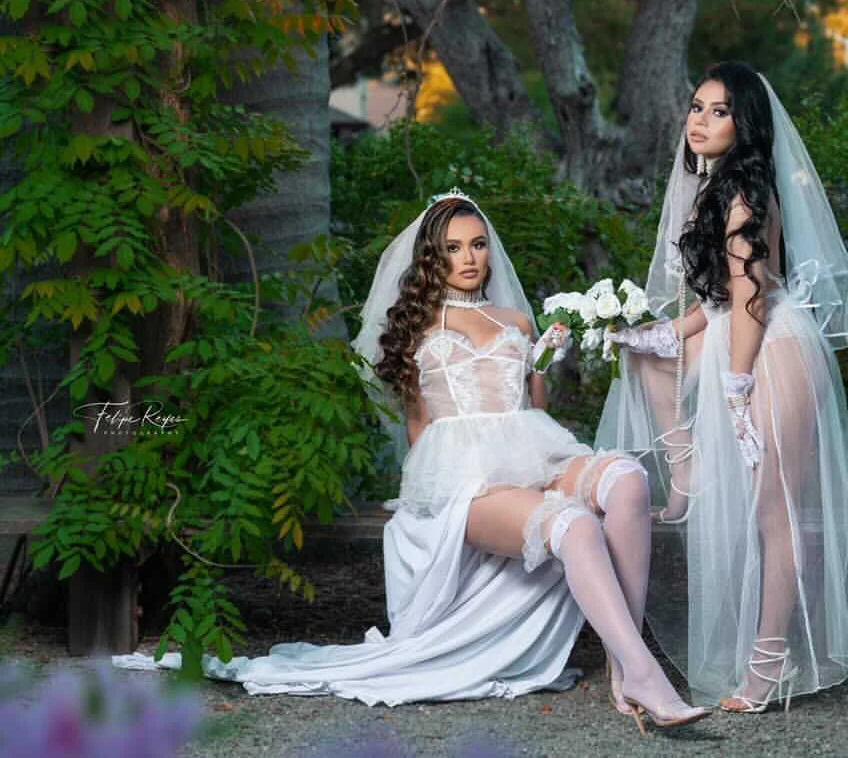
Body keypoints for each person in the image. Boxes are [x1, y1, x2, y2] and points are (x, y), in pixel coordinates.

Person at [115, 191, 709, 733]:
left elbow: (534, 410)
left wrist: (543, 362)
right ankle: (645, 674)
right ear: (432, 257)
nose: (469, 258)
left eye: (477, 244)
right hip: (463, 472)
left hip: (530, 444)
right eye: (453, 248)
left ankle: (623, 660)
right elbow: (419, 429)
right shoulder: (414, 327)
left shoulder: (517, 322)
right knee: (574, 526)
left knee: (628, 480)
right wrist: (423, 501)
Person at [596, 62, 848, 713]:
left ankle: (769, 662)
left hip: (769, 350)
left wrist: (737, 385)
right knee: (646, 357)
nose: (701, 120)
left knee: (776, 514)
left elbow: (753, 297)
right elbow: (717, 297)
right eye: (697, 107)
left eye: (719, 112)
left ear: (744, 125)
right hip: (732, 332)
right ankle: (685, 470)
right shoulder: (711, 189)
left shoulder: (747, 194)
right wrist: (668, 332)